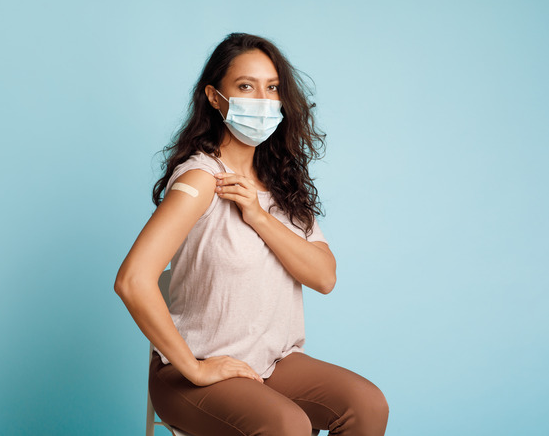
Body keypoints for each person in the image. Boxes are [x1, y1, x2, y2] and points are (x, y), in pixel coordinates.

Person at [114, 33, 389, 436]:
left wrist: (258, 217)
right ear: (214, 96)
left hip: (273, 362)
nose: (261, 100)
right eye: (246, 86)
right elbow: (133, 280)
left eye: (272, 87)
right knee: (287, 425)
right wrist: (194, 366)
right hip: (194, 372)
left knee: (367, 405)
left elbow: (324, 277)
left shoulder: (283, 185)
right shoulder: (201, 179)